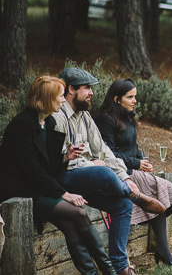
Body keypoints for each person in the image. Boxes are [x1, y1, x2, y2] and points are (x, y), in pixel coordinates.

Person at [53, 68, 165, 275]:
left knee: (122, 204)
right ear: (71, 89)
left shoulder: (85, 116)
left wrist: (124, 177)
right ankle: (136, 195)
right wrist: (94, 165)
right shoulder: (58, 117)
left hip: (88, 179)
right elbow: (58, 161)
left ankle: (121, 267)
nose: (92, 93)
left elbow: (103, 150)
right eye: (87, 88)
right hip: (63, 180)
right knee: (103, 173)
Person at [0, 76, 116, 275]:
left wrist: (66, 157)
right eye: (60, 96)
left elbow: (48, 168)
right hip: (19, 192)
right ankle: (109, 272)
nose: (63, 100)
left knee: (69, 225)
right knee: (78, 212)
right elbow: (32, 171)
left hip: (39, 187)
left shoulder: (49, 122)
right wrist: (65, 194)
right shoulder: (22, 126)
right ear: (46, 98)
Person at [96, 79, 172, 267]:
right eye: (130, 97)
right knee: (164, 186)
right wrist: (136, 163)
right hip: (118, 171)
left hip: (133, 168)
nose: (134, 101)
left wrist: (143, 161)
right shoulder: (105, 119)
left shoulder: (129, 117)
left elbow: (134, 146)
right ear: (116, 99)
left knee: (158, 198)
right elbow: (109, 154)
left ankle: (164, 252)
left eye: (135, 97)